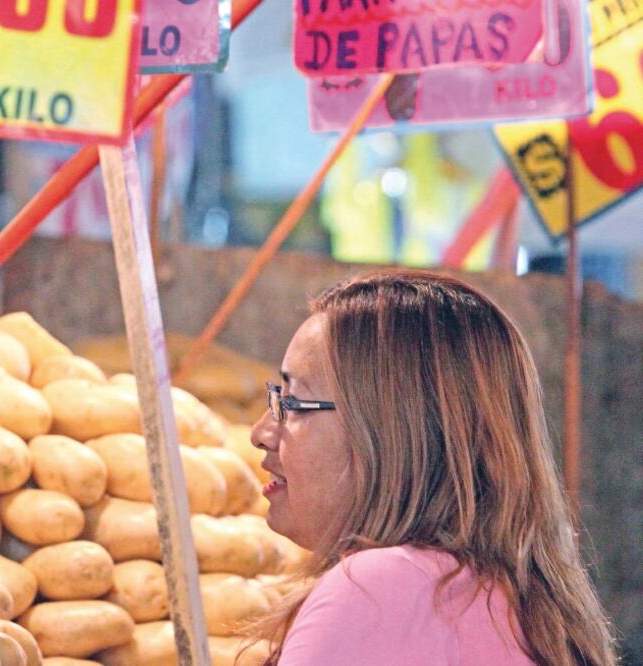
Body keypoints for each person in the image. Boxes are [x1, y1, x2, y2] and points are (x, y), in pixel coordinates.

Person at [249, 270, 616, 665]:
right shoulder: (519, 602)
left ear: (390, 430)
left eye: (293, 402)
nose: (261, 433)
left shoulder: (377, 593)